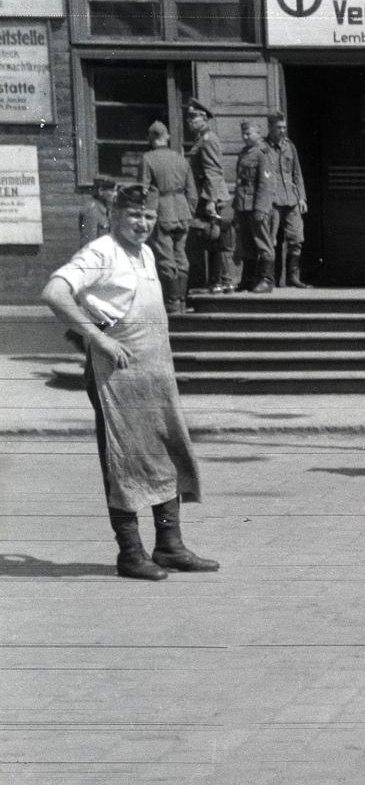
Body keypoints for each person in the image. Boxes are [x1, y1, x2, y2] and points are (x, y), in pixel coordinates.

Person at [40, 184, 218, 581]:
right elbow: (54, 292)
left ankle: (169, 547)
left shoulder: (146, 252)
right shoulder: (102, 251)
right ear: (116, 214)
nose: (142, 224)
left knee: (167, 451)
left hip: (154, 370)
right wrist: (98, 338)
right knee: (124, 459)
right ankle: (130, 554)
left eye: (149, 217)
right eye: (134, 215)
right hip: (117, 374)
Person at [137, 120, 197, 315]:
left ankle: (172, 302)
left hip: (163, 212)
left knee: (166, 258)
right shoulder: (181, 159)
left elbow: (143, 191)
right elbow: (192, 193)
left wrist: (146, 214)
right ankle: (181, 300)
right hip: (183, 212)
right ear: (167, 137)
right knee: (181, 257)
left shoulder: (148, 159)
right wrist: (188, 211)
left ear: (152, 138)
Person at [248, 111, 308, 292]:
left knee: (296, 237)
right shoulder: (262, 148)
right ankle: (269, 279)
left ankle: (292, 276)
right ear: (270, 127)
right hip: (272, 201)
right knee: (270, 241)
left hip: (291, 199)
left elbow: (297, 173)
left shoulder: (290, 147)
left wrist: (302, 197)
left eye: (284, 127)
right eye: (278, 128)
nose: (282, 131)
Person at [184, 98, 234, 295]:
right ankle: (221, 282)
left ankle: (220, 282)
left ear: (203, 118)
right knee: (215, 240)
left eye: (192, 117)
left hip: (212, 197)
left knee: (216, 239)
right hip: (208, 195)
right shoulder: (201, 139)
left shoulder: (208, 140)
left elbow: (213, 171)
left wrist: (211, 201)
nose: (188, 121)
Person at [231, 121, 264, 294]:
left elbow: (265, 185)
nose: (245, 137)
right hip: (243, 204)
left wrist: (260, 208)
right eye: (243, 134)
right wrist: (236, 205)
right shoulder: (243, 153)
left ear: (258, 133)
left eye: (248, 134)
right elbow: (239, 181)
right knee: (247, 244)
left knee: (262, 243)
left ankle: (265, 280)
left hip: (255, 206)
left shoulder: (262, 153)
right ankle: (247, 280)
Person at [78, 175, 116, 247]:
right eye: (112, 191)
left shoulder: (106, 209)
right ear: (101, 191)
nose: (115, 194)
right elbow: (88, 244)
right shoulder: (92, 210)